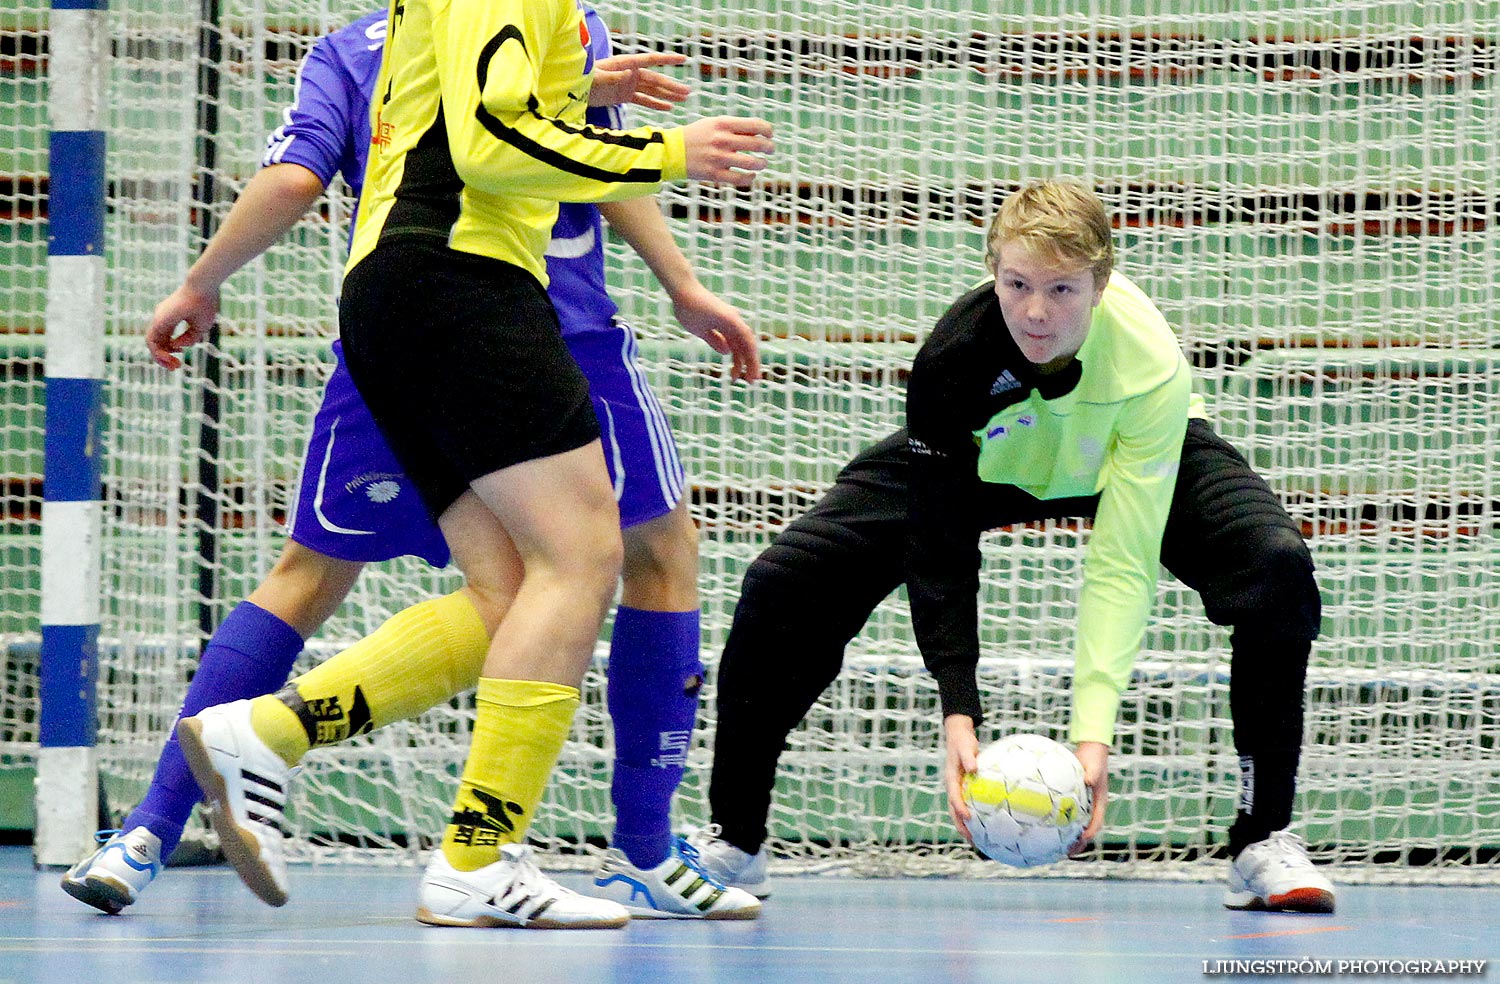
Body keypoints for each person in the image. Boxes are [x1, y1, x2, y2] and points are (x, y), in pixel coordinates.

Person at [63, 4, 769, 927]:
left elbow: (474, 116)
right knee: (585, 559)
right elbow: (484, 148)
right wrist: (670, 150)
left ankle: (264, 736)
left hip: (400, 297)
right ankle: (475, 858)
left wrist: (588, 104)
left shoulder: (416, 22)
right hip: (476, 294)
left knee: (511, 587)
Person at [685, 179, 1337, 915]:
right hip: (992, 459)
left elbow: (1122, 560)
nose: (1035, 311)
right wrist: (958, 708)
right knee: (785, 580)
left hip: (1123, 449)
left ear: (1101, 283)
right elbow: (939, 546)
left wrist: (1092, 733)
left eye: (1062, 289)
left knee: (1276, 569)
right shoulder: (953, 359)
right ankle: (737, 838)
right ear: (991, 269)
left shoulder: (1149, 362)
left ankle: (1262, 839)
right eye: (1017, 283)